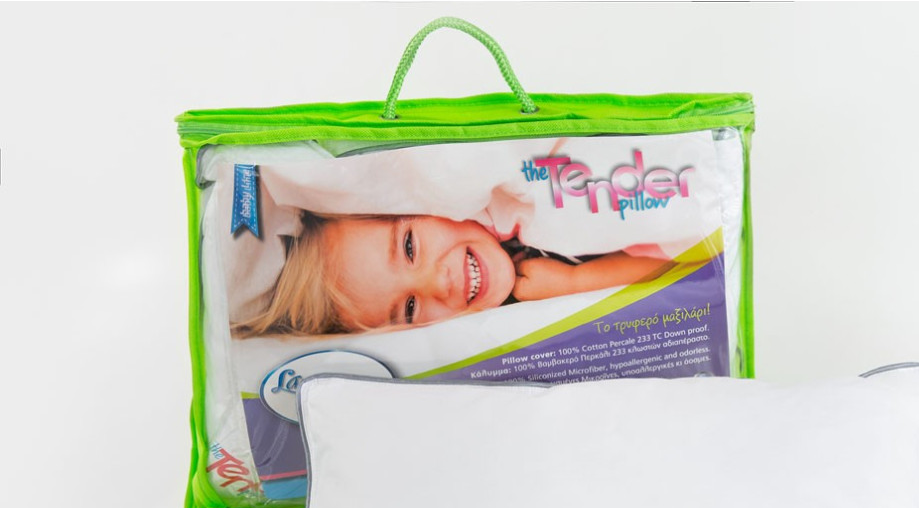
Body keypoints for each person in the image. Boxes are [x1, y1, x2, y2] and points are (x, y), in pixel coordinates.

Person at [231, 211, 672, 338]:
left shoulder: (519, 215)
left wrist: (576, 283)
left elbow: (689, 257)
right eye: (408, 309)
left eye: (409, 247)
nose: (438, 283)